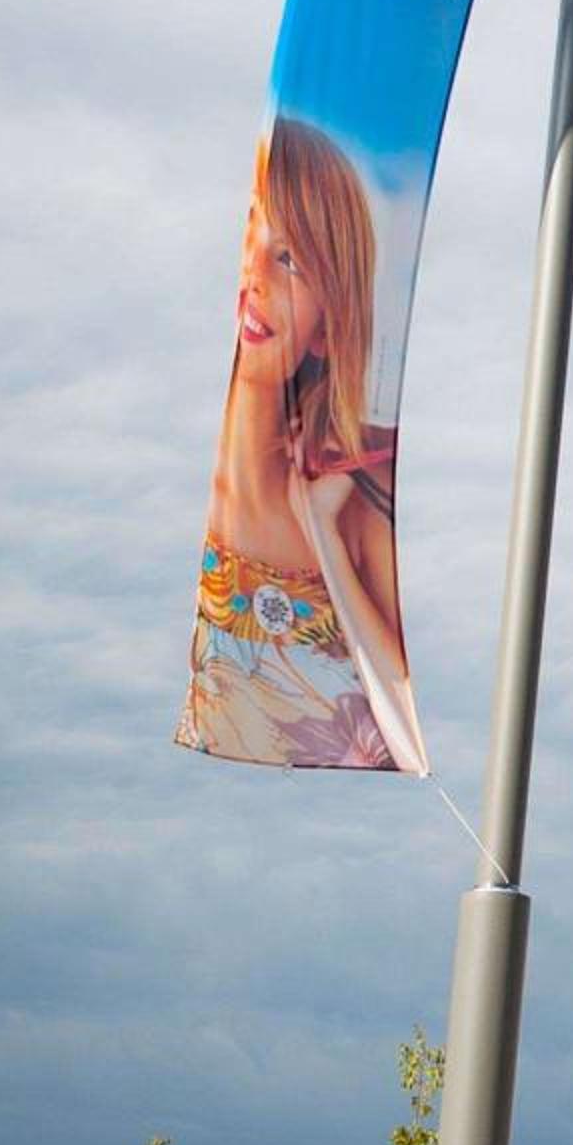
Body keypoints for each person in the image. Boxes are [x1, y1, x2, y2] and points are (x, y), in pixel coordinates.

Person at [176, 118, 425, 773]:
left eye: (288, 260)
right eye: (253, 233)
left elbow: (393, 710)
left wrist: (323, 537)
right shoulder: (171, 493)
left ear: (326, 326)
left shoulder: (352, 507)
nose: (254, 273)